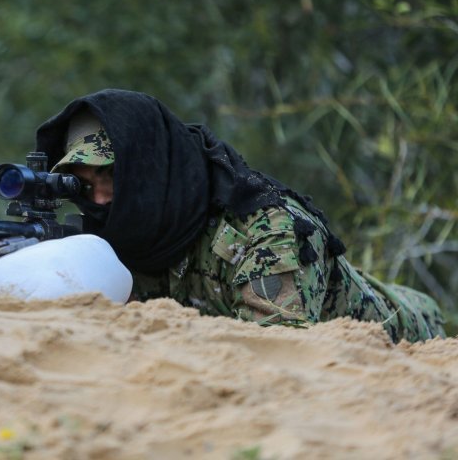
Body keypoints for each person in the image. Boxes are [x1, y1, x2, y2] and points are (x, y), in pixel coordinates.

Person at [35, 89, 445, 343]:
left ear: (150, 168)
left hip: (410, 332)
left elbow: (277, 352)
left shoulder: (266, 230)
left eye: (112, 174)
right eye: (83, 185)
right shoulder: (115, 235)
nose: (101, 199)